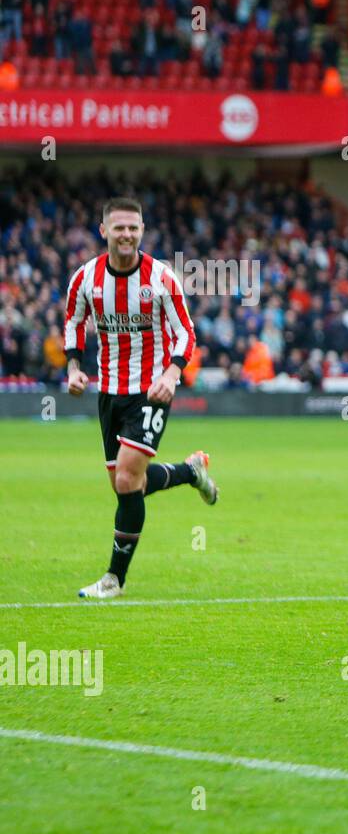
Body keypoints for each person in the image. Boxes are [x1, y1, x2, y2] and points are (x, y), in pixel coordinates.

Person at [63, 198, 220, 600]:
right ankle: (191, 471)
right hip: (109, 391)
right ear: (104, 231)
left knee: (129, 477)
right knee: (124, 485)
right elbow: (74, 322)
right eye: (119, 228)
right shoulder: (85, 279)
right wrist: (73, 368)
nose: (127, 235)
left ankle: (114, 579)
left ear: (142, 230)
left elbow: (185, 332)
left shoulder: (161, 278)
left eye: (133, 228)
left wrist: (173, 372)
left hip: (152, 388)